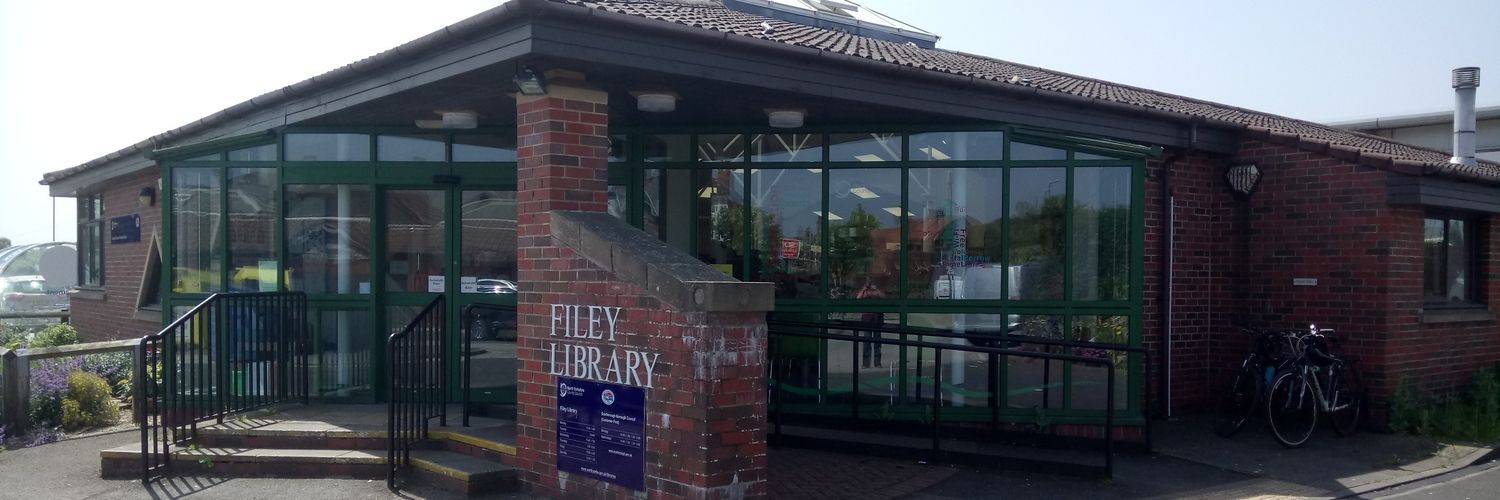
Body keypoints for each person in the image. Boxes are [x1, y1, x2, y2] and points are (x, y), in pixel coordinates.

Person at [856, 282, 886, 368]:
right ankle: (866, 363)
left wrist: (876, 289)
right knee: (866, 341)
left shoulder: (878, 291)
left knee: (877, 341)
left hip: (877, 318)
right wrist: (864, 289)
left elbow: (884, 297)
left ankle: (878, 363)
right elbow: (858, 298)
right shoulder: (865, 291)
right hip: (867, 318)